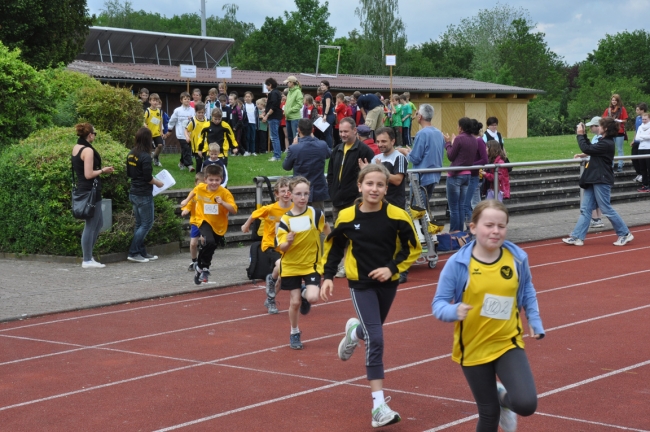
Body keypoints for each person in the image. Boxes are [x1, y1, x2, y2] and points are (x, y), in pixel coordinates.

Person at [320, 164, 421, 428]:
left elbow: (412, 248)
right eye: (369, 184)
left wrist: (391, 268)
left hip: (388, 283)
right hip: (360, 283)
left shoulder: (398, 215)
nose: (374, 189)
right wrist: (328, 276)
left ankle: (354, 333)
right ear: (360, 186)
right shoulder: (346, 216)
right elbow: (335, 247)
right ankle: (378, 407)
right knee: (376, 337)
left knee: (369, 331)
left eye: (379, 185)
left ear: (386, 189)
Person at [433, 199, 545, 432]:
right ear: (473, 227)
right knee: (488, 413)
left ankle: (504, 399)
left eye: (501, 226)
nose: (495, 231)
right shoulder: (457, 264)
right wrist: (454, 311)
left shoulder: (517, 258)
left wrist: (534, 320)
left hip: (507, 342)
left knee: (526, 404)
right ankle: (497, 404)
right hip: (472, 346)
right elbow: (438, 304)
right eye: (489, 225)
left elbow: (527, 290)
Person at [276, 177, 330, 349]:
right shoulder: (285, 220)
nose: (303, 197)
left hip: (311, 264)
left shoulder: (316, 214)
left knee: (313, 297)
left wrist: (333, 248)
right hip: (291, 266)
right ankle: (294, 332)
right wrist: (289, 241)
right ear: (290, 195)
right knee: (295, 302)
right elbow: (282, 248)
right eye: (298, 194)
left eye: (306, 193)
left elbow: (327, 231)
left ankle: (306, 290)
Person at [563, 117, 634, 246]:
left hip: (602, 179)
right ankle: (577, 236)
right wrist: (583, 134)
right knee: (585, 209)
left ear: (605, 128)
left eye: (600, 126)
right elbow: (589, 148)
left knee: (606, 208)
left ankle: (624, 233)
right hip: (593, 178)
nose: (598, 127)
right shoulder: (603, 142)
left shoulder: (607, 143)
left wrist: (579, 135)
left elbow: (587, 148)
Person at [241, 177, 293, 314]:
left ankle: (271, 296)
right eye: (283, 191)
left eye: (289, 191)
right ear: (276, 194)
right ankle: (293, 289)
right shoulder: (270, 209)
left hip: (286, 246)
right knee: (282, 266)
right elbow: (254, 214)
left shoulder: (295, 209)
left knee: (282, 275)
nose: (286, 194)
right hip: (270, 244)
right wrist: (246, 225)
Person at [180, 164, 237, 284]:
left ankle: (200, 268)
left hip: (219, 225)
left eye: (217, 180)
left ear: (221, 180)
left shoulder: (224, 193)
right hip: (203, 220)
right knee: (209, 242)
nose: (214, 183)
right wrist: (186, 201)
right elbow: (194, 191)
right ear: (205, 180)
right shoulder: (201, 187)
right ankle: (205, 268)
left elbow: (234, 210)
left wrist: (222, 203)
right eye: (211, 180)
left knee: (211, 246)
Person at [72, 123, 115, 268]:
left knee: (99, 223)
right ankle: (87, 259)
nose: (94, 136)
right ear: (90, 135)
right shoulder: (88, 151)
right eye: (94, 134)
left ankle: (89, 257)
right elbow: (89, 174)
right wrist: (103, 170)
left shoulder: (76, 148)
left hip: (85, 189)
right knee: (90, 225)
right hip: (91, 190)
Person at [126, 127, 164, 263]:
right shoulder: (146, 156)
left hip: (134, 192)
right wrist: (158, 183)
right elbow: (148, 178)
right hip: (143, 194)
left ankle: (141, 252)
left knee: (139, 224)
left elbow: (130, 174)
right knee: (146, 224)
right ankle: (133, 252)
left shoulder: (131, 154)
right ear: (148, 140)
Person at [397, 104, 445, 204]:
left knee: (417, 211)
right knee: (425, 210)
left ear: (420, 117)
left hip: (421, 178)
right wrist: (411, 152)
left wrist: (404, 152)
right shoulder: (438, 133)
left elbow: (415, 159)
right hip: (434, 176)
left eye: (417, 113)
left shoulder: (422, 133)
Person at [282, 118, 331, 210]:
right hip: (318, 189)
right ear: (312, 130)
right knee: (318, 220)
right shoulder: (322, 145)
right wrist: (314, 138)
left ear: (298, 130)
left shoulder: (294, 148)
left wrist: (293, 146)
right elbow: (328, 154)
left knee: (301, 220)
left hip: (300, 191)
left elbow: (286, 166)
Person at [445, 117, 479, 232]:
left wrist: (448, 143)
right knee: (461, 206)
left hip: (455, 175)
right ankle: (459, 233)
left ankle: (455, 232)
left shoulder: (459, 139)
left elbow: (451, 156)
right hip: (467, 175)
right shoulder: (474, 140)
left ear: (461, 127)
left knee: (454, 207)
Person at [181, 171, 206, 271]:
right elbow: (189, 205)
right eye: (199, 184)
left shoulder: (208, 195)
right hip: (195, 222)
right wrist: (186, 210)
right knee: (193, 244)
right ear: (195, 184)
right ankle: (194, 260)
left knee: (204, 240)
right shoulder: (193, 195)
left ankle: (204, 259)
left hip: (205, 222)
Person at [466, 119, 489, 224]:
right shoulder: (472, 140)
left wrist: (471, 165)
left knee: (474, 203)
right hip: (470, 174)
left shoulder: (479, 141)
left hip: (475, 175)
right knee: (473, 202)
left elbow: (484, 159)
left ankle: (479, 224)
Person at [167, 91, 195, 172]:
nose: (187, 100)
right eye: (185, 99)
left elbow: (195, 121)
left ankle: (181, 162)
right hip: (180, 133)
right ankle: (189, 165)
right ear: (181, 100)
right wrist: (169, 130)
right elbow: (172, 121)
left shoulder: (193, 110)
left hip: (189, 134)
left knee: (186, 149)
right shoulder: (177, 110)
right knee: (186, 148)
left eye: (188, 99)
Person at [584, 116, 604, 228]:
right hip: (594, 167)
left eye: (591, 126)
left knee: (595, 196)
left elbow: (592, 150)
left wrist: (581, 136)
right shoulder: (595, 138)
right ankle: (597, 219)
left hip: (598, 171)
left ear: (597, 126)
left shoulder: (603, 139)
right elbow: (590, 150)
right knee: (596, 196)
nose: (590, 128)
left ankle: (596, 218)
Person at [602, 94, 628, 172]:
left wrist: (619, 121)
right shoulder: (608, 110)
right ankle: (611, 165)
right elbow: (604, 119)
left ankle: (620, 165)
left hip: (619, 131)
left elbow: (625, 120)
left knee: (619, 149)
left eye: (615, 100)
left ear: (618, 101)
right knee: (610, 149)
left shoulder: (622, 109)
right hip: (610, 131)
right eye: (612, 100)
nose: (613, 102)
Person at [185, 102, 210, 172]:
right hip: (196, 146)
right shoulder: (193, 121)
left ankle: (206, 175)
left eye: (202, 112)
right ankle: (198, 176)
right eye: (199, 112)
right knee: (199, 162)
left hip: (205, 145)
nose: (201, 114)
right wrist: (187, 137)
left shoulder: (207, 120)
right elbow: (186, 130)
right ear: (196, 112)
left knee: (207, 161)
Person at [263, 77, 283, 161]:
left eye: (267, 85)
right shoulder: (276, 92)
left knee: (274, 137)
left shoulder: (274, 93)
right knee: (274, 136)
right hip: (274, 117)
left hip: (274, 117)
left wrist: (267, 115)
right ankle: (276, 154)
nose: (266, 87)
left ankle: (277, 156)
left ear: (270, 85)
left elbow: (274, 106)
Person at [143, 93, 164, 167]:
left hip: (157, 133)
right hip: (149, 133)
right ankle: (148, 161)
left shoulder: (159, 111)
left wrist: (161, 131)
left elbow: (160, 121)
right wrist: (145, 125)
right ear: (150, 101)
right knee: (149, 148)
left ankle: (155, 157)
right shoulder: (147, 111)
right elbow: (143, 121)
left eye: (157, 101)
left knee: (160, 145)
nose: (155, 102)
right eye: (153, 100)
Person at [284, 76, 303, 146]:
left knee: (295, 136)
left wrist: (290, 110)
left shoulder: (298, 92)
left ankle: (297, 152)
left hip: (295, 118)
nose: (287, 84)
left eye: (288, 82)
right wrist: (286, 111)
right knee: (289, 137)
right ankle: (292, 152)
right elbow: (288, 103)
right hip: (288, 117)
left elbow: (299, 104)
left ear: (292, 83)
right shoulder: (289, 92)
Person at [632, 103, 648, 183]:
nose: (636, 111)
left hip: (644, 143)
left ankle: (643, 175)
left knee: (641, 159)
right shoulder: (637, 118)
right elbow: (636, 130)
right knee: (634, 157)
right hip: (637, 141)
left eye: (638, 110)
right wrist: (633, 140)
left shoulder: (647, 119)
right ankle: (639, 173)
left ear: (642, 110)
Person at [635, 112, 650, 192]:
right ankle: (645, 184)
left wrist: (642, 136)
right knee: (642, 167)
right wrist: (645, 136)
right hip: (641, 148)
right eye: (643, 119)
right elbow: (637, 138)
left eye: (645, 119)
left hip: (648, 148)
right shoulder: (640, 127)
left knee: (649, 167)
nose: (644, 121)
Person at [319, 80, 336, 149]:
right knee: (325, 133)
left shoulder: (327, 94)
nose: (322, 86)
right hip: (327, 115)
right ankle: (326, 148)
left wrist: (325, 115)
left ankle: (329, 149)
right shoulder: (325, 94)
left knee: (328, 133)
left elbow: (328, 105)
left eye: (323, 85)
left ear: (327, 86)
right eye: (321, 85)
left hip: (328, 115)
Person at [242, 91, 258, 157]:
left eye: (249, 97)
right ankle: (247, 150)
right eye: (246, 97)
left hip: (253, 122)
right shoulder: (243, 106)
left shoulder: (254, 105)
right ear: (244, 98)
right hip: (247, 123)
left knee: (253, 138)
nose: (248, 98)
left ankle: (253, 151)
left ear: (252, 97)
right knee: (247, 137)